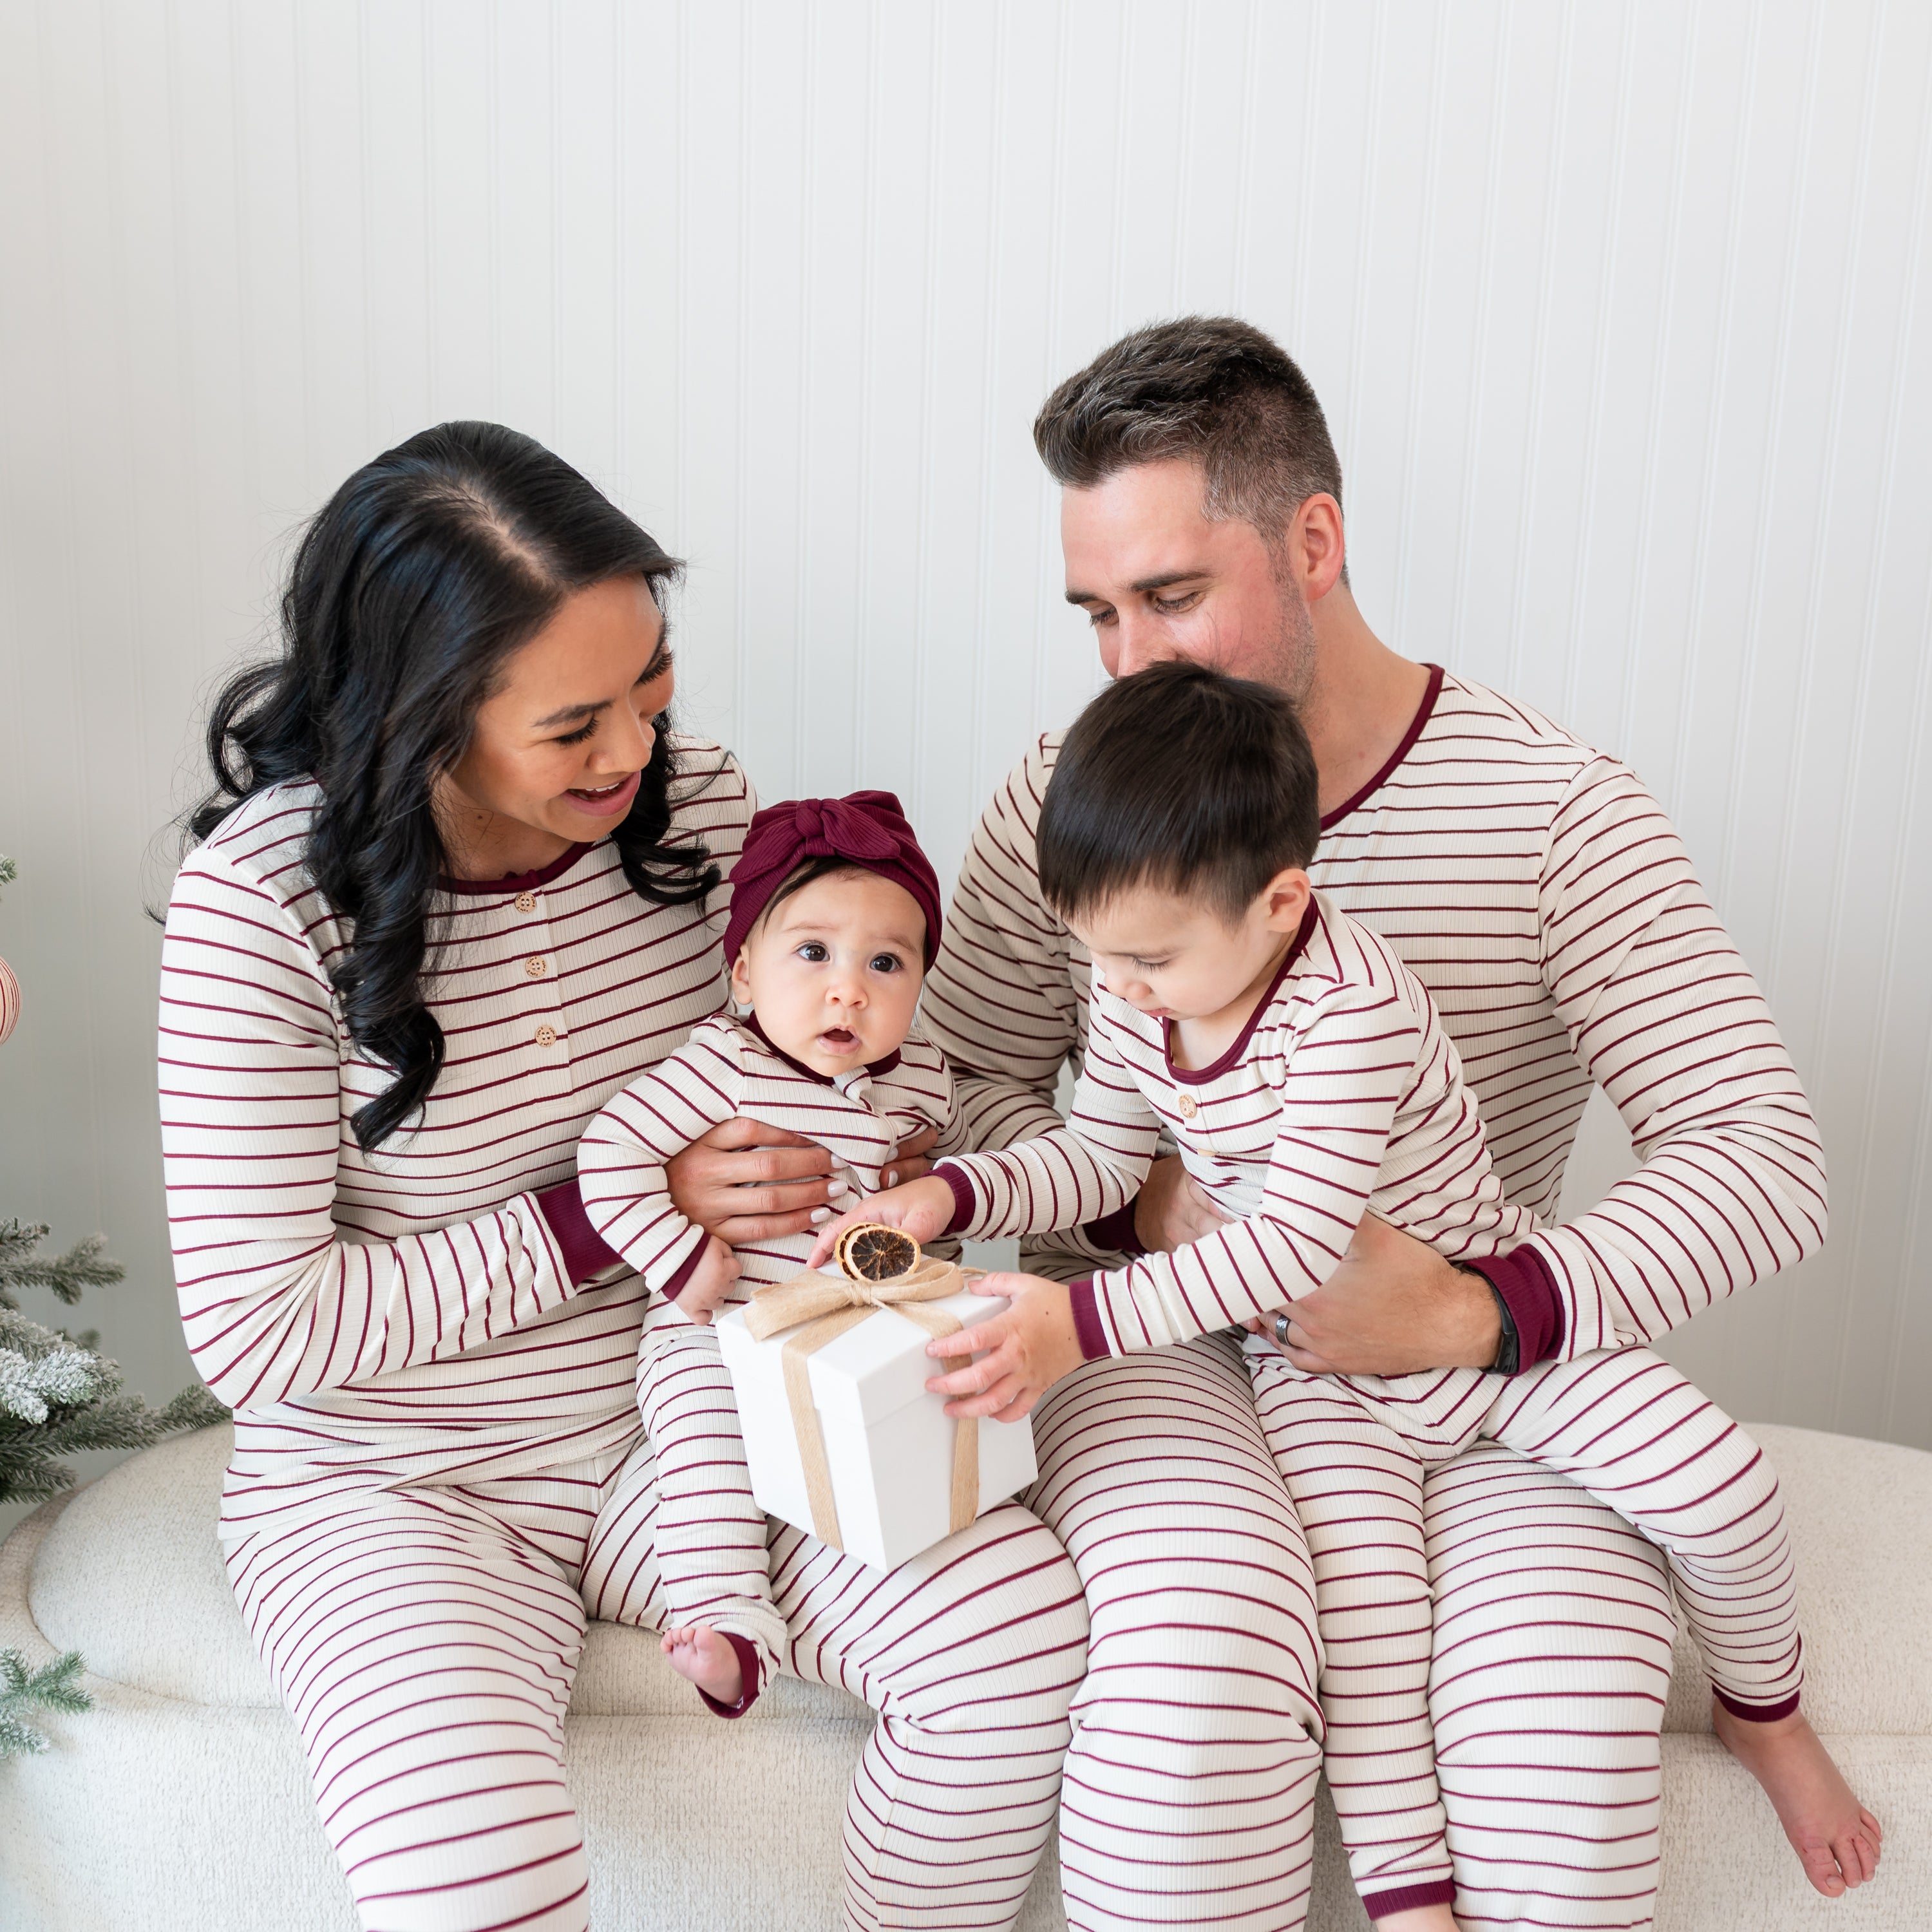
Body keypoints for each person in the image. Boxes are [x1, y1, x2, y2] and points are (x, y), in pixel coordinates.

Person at [915, 317, 1838, 1929]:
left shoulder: (1558, 811)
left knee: (1561, 1757)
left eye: (1174, 594)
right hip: (1163, 1356)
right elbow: (966, 1089)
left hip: (1461, 1363)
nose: (1128, 659)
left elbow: (1761, 1161)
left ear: (1315, 542)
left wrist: (1482, 1308)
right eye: (1098, 612)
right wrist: (1153, 1219)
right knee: (1199, 1674)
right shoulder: (1067, 796)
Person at [160, 422, 1087, 1932]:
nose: (634, 754)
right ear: (418, 717)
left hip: (703, 1420)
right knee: (477, 1883)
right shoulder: (262, 906)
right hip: (400, 1485)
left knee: (1015, 1634)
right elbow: (260, 1336)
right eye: (575, 723)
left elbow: (841, 1058)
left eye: (651, 692)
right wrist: (611, 1212)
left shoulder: (701, 816)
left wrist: (982, 1166)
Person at [576, 789, 967, 1713]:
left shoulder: (919, 1074)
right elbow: (612, 1153)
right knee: (706, 1461)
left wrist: (938, 1183)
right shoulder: (721, 1065)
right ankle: (731, 1630)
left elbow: (946, 1151)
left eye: (886, 963)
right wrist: (677, 1257)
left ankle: (923, 1538)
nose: (849, 989)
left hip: (843, 1330)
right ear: (744, 972)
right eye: (813, 954)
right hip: (714, 1331)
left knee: (931, 1403)